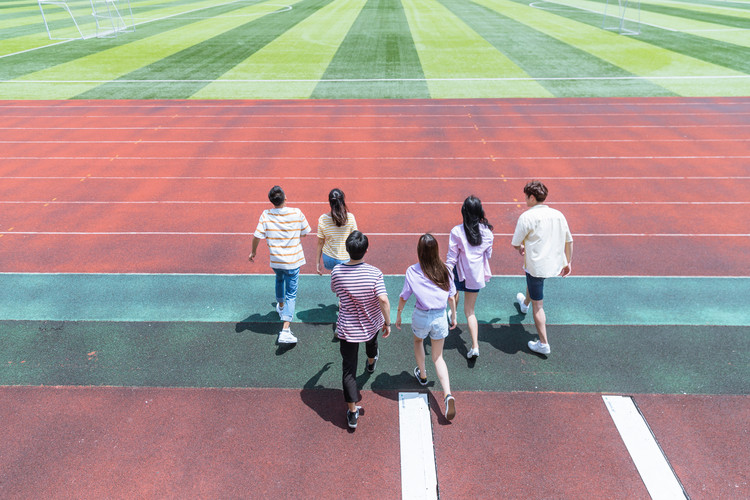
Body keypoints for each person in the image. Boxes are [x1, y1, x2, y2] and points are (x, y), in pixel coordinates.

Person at [331, 231, 391, 430]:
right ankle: (372, 362)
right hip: (370, 322)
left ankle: (352, 412)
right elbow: (383, 299)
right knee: (372, 344)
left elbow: (335, 291)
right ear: (366, 250)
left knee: (349, 370)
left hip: (348, 328)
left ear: (347, 250)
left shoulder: (337, 272)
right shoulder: (375, 273)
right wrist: (387, 322)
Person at [396, 234, 458, 421]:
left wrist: (398, 314)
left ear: (420, 252)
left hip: (421, 316)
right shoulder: (446, 269)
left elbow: (404, 296)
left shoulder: (412, 271)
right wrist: (453, 315)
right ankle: (447, 395)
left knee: (418, 341)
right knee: (438, 357)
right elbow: (451, 296)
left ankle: (422, 375)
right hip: (440, 316)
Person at [511, 181, 573, 355]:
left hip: (537, 265)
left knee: (539, 305)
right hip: (554, 262)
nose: (524, 200)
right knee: (533, 285)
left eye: (525, 196)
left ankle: (544, 343)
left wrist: (521, 248)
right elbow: (569, 240)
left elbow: (516, 243)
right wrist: (568, 261)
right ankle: (524, 304)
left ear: (531, 197)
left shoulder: (526, 217)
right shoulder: (558, 214)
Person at [249, 186, 311, 344]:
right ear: (285, 198)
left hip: (276, 260)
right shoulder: (296, 212)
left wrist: (253, 252)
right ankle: (285, 329)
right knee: (292, 293)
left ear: (271, 201)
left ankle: (281, 306)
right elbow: (305, 232)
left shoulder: (266, 214)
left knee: (279, 279)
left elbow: (257, 236)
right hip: (293, 260)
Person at [446, 195, 494, 359]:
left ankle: (453, 315)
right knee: (471, 312)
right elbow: (488, 254)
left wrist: (446, 273)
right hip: (475, 275)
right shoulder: (487, 233)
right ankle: (474, 346)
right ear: (480, 211)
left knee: (454, 293)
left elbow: (452, 258)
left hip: (459, 272)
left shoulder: (457, 231)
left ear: (464, 212)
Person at [316, 188, 358, 275]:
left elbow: (320, 242)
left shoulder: (323, 219)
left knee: (335, 277)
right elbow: (355, 239)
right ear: (342, 201)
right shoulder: (350, 218)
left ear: (330, 202)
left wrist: (317, 262)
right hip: (345, 257)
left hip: (328, 258)